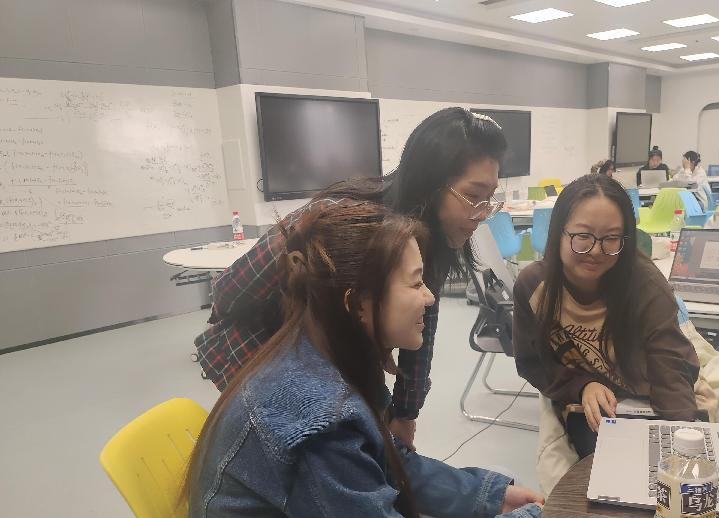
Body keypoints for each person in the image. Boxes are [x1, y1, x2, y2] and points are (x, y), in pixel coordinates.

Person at [183, 200, 567, 518]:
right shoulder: (315, 417)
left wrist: (489, 495)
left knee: (489, 516)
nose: (430, 297)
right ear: (358, 304)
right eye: (416, 283)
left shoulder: (326, 351)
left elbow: (391, 461)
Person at [194, 107, 508, 449]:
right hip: (260, 350)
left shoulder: (435, 234)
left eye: (490, 198)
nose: (482, 213)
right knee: (319, 450)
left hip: (340, 357)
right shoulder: (340, 222)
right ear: (429, 183)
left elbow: (421, 329)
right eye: (473, 196)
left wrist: (406, 412)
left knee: (368, 446)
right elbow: (230, 291)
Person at [512, 174, 703, 459]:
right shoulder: (534, 287)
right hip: (592, 406)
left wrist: (682, 444)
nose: (596, 251)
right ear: (558, 233)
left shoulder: (645, 285)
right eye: (582, 236)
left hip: (646, 400)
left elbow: (670, 370)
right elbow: (534, 364)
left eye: (611, 238)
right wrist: (581, 386)